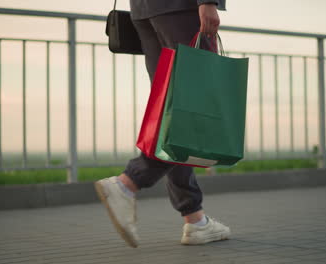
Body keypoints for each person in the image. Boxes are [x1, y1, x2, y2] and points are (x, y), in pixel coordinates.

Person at [95, 0, 229, 248]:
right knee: (197, 104)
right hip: (181, 8)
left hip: (145, 11)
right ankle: (129, 182)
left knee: (172, 108)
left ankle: (195, 219)